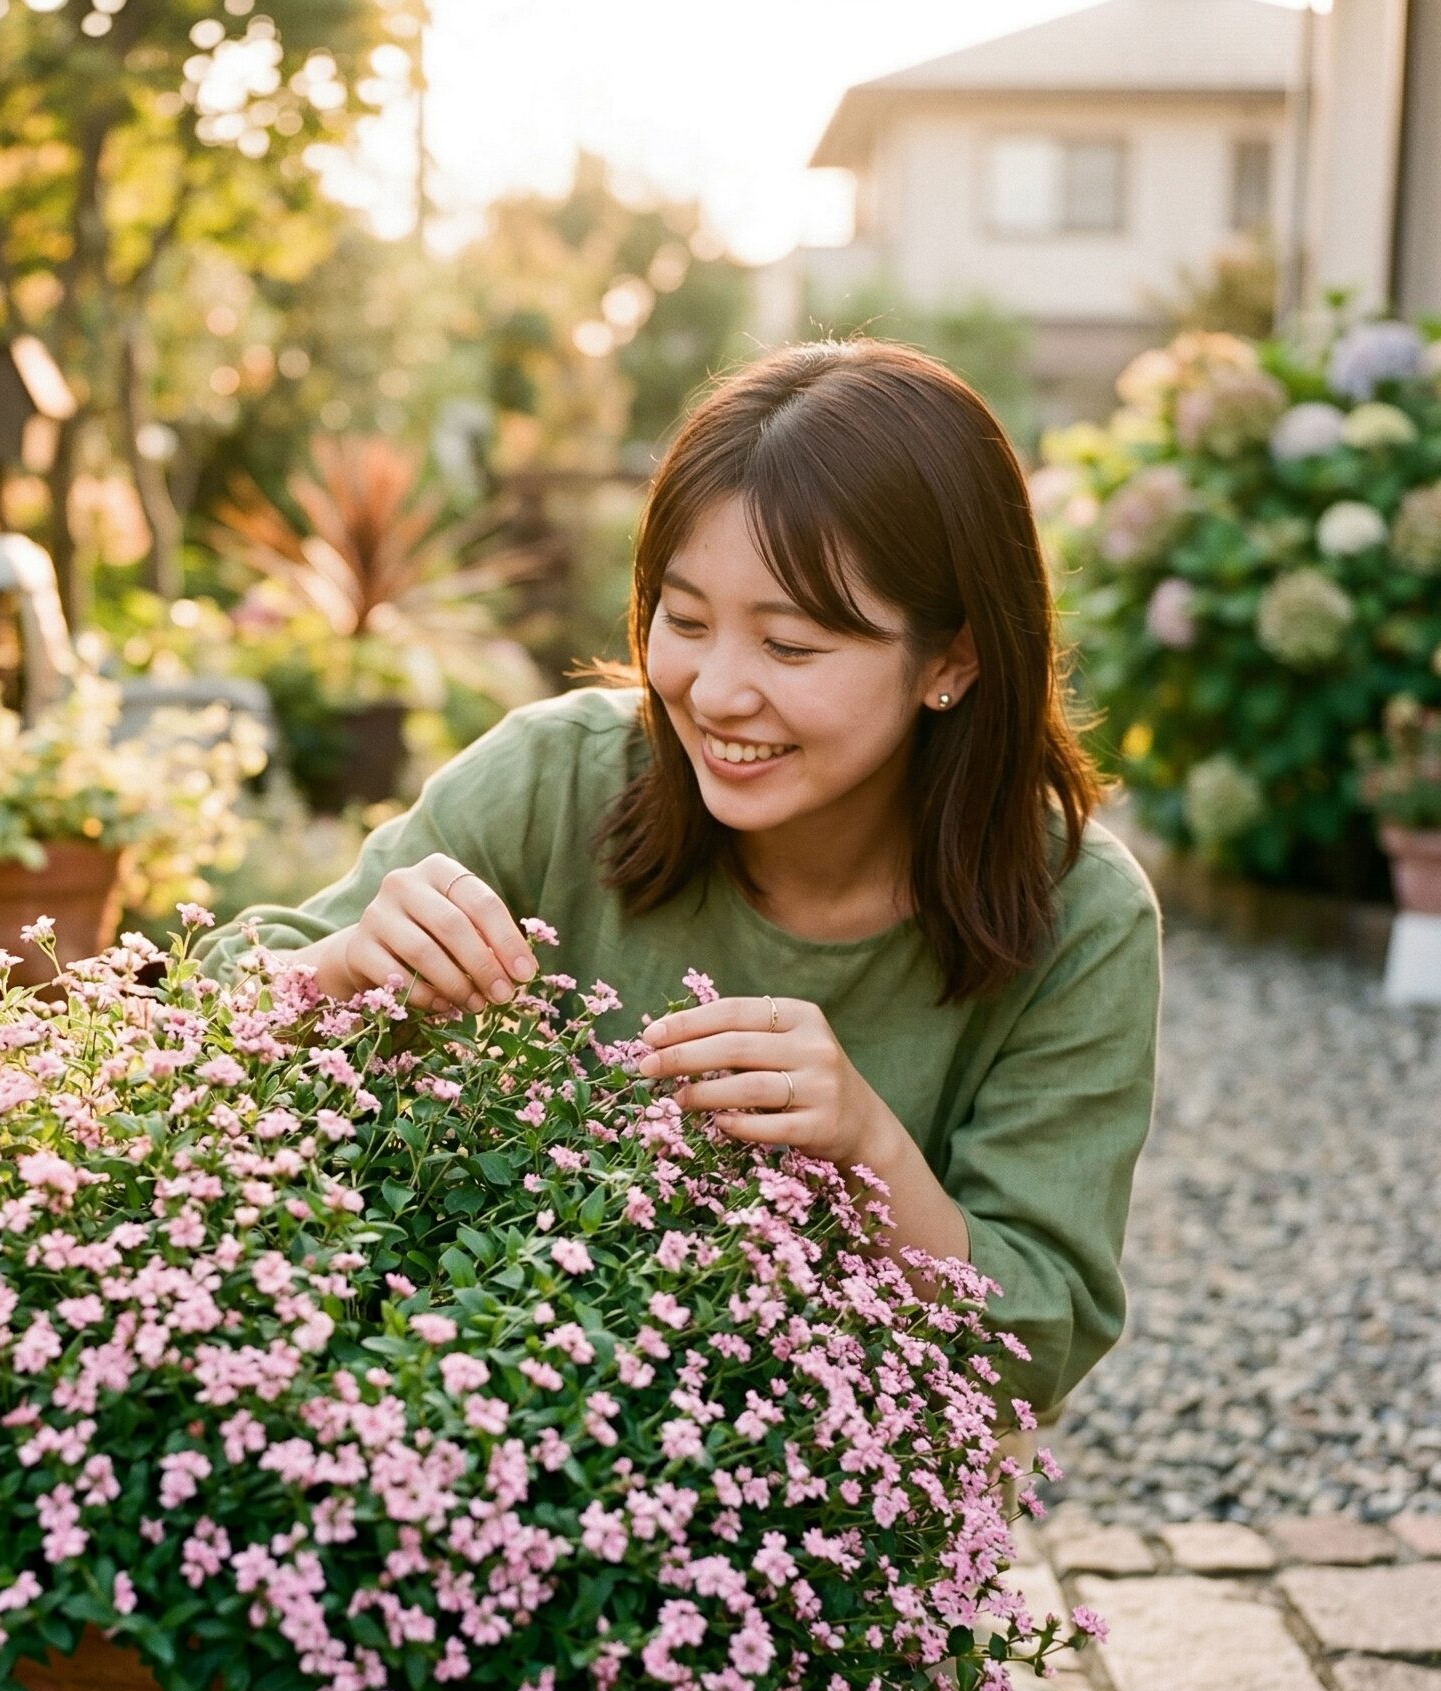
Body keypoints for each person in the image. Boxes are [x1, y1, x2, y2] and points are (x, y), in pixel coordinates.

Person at [196, 339, 1161, 1443]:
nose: (713, 689)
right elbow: (195, 1022)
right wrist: (343, 967)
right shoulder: (555, 778)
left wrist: (868, 1149)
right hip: (485, 1429)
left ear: (953, 659)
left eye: (790, 644)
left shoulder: (1077, 913)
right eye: (684, 618)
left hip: (829, 1481)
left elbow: (1031, 1348)